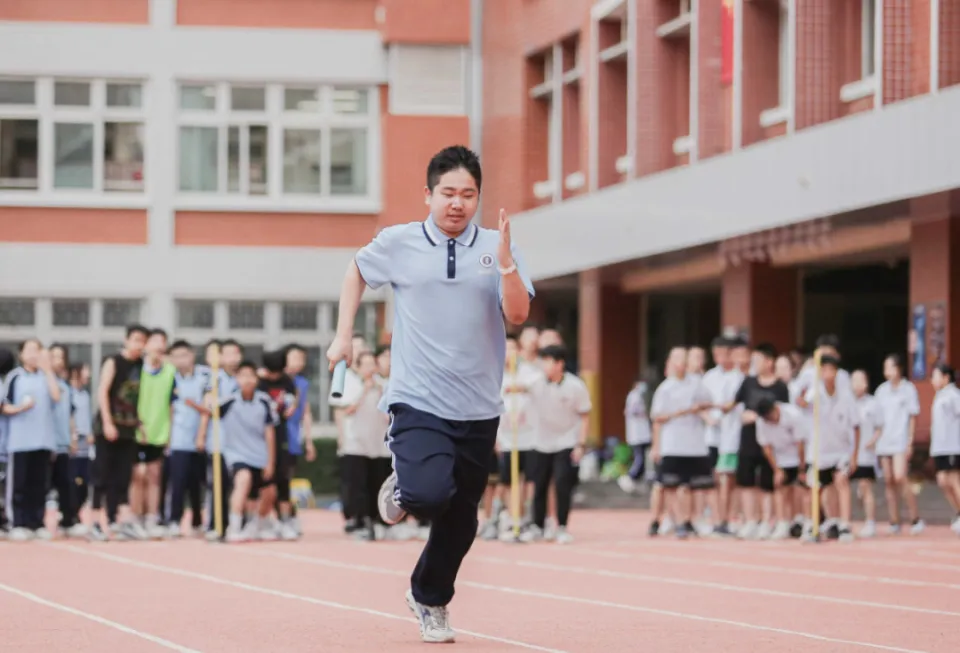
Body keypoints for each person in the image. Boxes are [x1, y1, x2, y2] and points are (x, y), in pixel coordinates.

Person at [326, 145, 533, 643]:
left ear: (478, 197)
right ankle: (401, 486)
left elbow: (519, 316)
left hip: (479, 405)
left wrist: (505, 264)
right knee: (427, 493)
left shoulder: (495, 246)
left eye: (467, 194)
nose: (457, 203)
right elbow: (356, 270)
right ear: (428, 194)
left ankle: (429, 597)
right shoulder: (398, 243)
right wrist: (343, 333)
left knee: (462, 521)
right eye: (447, 194)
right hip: (417, 397)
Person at [520, 345, 590, 544]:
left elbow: (585, 416)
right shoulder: (536, 382)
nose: (544, 366)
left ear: (560, 363)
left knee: (562, 483)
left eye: (548, 361)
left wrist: (581, 444)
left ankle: (561, 526)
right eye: (542, 361)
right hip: (540, 440)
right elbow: (517, 386)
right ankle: (538, 526)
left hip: (566, 440)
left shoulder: (576, 386)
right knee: (539, 484)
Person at [649, 347, 714, 539]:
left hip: (693, 444)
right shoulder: (665, 388)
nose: (681, 363)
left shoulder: (697, 383)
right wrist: (657, 445)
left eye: (684, 359)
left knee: (690, 486)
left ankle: (687, 520)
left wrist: (699, 408)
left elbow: (709, 403)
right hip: (672, 443)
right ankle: (672, 520)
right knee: (669, 485)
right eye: (676, 359)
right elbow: (657, 417)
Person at [94, 325, 149, 541]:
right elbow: (103, 391)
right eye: (135, 339)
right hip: (108, 426)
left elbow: (134, 397)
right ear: (126, 340)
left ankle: (119, 521)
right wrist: (107, 422)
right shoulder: (113, 361)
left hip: (128, 428)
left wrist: (139, 423)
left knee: (123, 476)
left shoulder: (140, 365)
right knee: (102, 474)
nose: (139, 345)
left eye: (142, 341)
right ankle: (97, 522)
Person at [2, 340, 61, 541]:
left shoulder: (46, 377)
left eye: (38, 350)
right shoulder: (15, 377)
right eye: (30, 350)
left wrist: (48, 370)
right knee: (20, 484)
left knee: (39, 485)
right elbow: (4, 406)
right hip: (20, 441)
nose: (35, 354)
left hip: (43, 440)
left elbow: (56, 397)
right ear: (22, 354)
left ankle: (37, 522)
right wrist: (21, 408)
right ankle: (17, 522)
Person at [216, 361, 278, 543]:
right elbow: (210, 411)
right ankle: (233, 526)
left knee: (269, 493)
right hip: (236, 454)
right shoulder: (228, 401)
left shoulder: (264, 401)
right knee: (243, 479)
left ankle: (255, 525)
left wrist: (270, 462)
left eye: (251, 376)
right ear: (236, 379)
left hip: (259, 454)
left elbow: (270, 433)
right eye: (242, 376)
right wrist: (205, 402)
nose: (247, 380)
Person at [873, 353, 924, 535]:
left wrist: (910, 441)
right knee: (888, 481)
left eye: (890, 367)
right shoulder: (881, 391)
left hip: (900, 440)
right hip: (884, 441)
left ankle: (915, 517)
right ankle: (894, 519)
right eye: (885, 368)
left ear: (898, 368)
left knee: (900, 476)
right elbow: (877, 420)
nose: (887, 371)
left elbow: (912, 417)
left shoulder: (908, 389)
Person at [133, 329, 176, 539]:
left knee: (154, 476)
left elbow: (172, 404)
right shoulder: (136, 370)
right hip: (136, 431)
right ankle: (135, 518)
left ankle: (152, 518)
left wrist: (170, 432)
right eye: (155, 342)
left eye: (162, 343)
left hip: (159, 432)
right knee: (137, 475)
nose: (158, 347)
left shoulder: (170, 372)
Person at [165, 340, 208, 538]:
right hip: (178, 440)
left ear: (192, 355)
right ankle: (174, 520)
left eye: (184, 355)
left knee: (197, 483)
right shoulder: (170, 378)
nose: (181, 359)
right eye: (176, 356)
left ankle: (198, 522)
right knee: (178, 483)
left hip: (200, 439)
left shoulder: (204, 376)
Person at [256, 349, 298, 540]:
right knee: (265, 482)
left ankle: (286, 521)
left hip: (281, 436)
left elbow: (292, 403)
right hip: (260, 437)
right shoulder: (260, 383)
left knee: (283, 482)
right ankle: (262, 521)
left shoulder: (287, 382)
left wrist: (292, 406)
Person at [754, 397, 805, 540]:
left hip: (798, 455)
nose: (770, 421)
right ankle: (782, 521)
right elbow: (766, 448)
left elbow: (800, 443)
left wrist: (802, 469)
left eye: (771, 416)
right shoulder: (761, 423)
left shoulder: (793, 415)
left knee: (799, 489)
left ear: (776, 409)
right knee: (780, 488)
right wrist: (777, 470)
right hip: (779, 458)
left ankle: (799, 519)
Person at [283, 344, 316, 537]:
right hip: (273, 438)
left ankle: (290, 518)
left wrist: (309, 441)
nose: (298, 362)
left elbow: (306, 412)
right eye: (294, 357)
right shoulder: (273, 380)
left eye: (302, 359)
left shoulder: (302, 384)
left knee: (287, 480)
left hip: (293, 438)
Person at [928, 363, 960, 535]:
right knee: (942, 481)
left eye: (936, 376)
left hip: (952, 446)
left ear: (946, 378)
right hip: (940, 447)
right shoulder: (939, 396)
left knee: (954, 480)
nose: (933, 380)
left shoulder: (954, 395)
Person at [850, 369, 882, 538]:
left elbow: (879, 427)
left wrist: (873, 441)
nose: (857, 384)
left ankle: (870, 522)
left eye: (860, 380)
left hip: (866, 453)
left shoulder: (873, 403)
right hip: (849, 453)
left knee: (865, 486)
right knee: (852, 489)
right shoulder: (847, 403)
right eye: (854, 380)